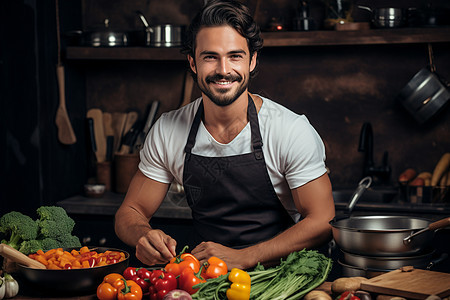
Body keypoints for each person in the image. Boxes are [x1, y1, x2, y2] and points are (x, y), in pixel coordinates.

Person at [114, 0, 335, 270]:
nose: (223, 70)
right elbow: (130, 211)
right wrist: (142, 235)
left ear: (252, 60)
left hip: (279, 280)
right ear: (192, 63)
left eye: (235, 56)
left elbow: (322, 220)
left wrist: (245, 256)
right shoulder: (168, 130)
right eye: (210, 57)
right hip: (206, 280)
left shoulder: (289, 129)